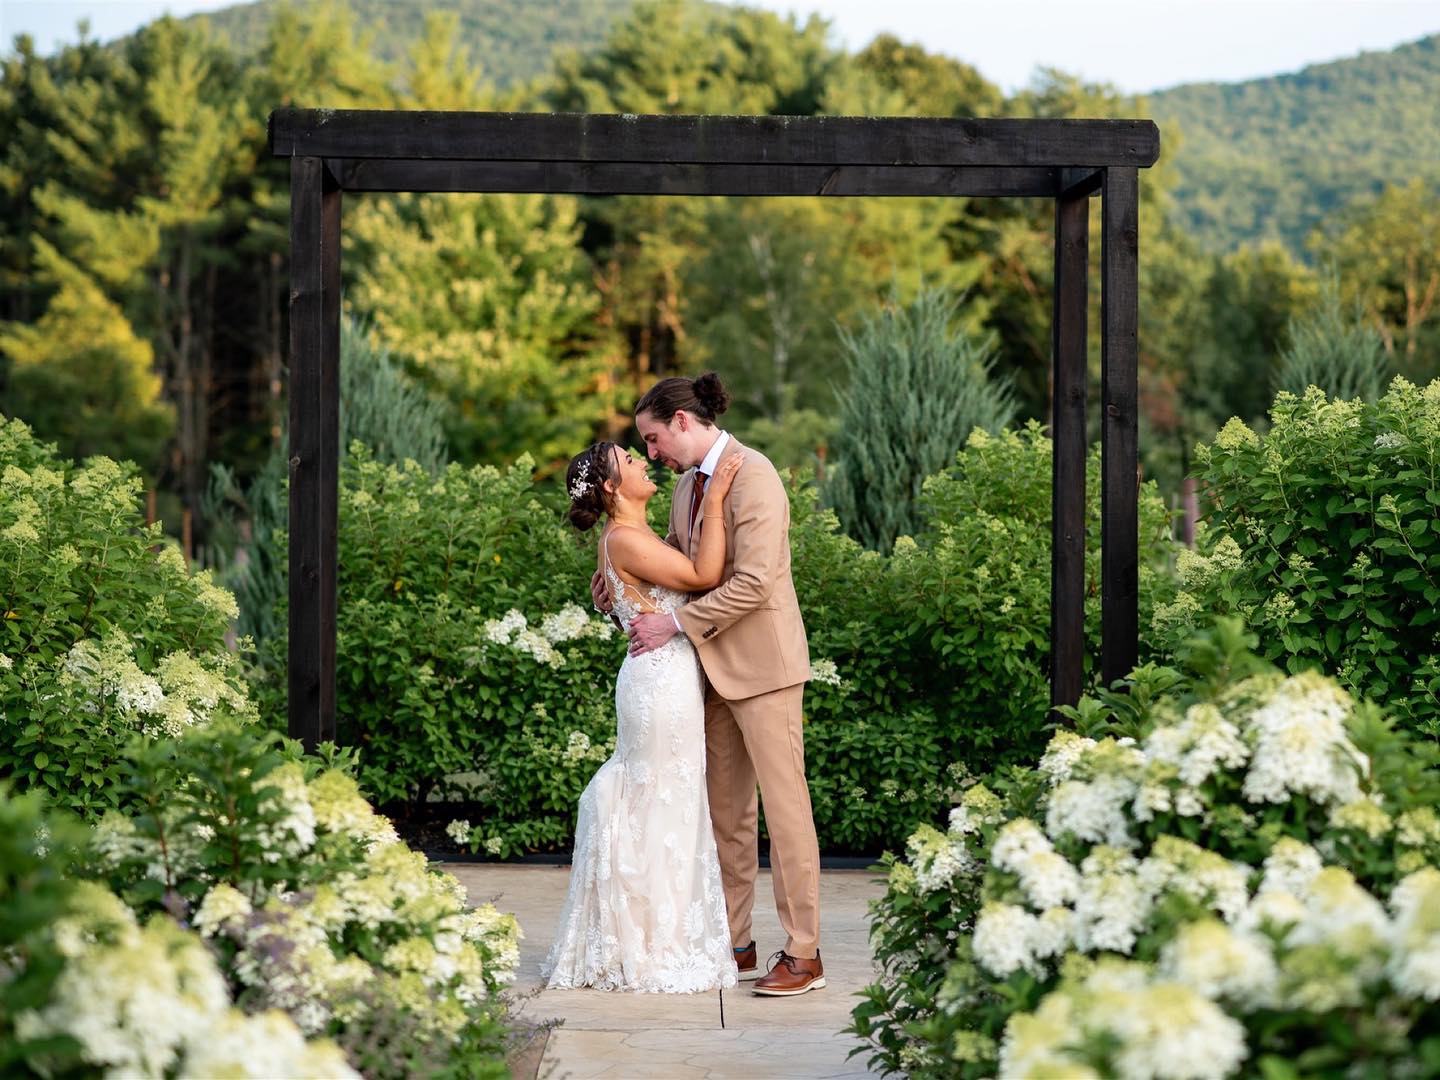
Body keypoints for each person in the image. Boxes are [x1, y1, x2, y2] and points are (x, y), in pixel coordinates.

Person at [593, 373, 825, 997]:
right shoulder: (686, 488)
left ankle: (804, 953)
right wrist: (619, 569)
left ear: (683, 423)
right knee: (727, 814)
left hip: (765, 671)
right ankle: (736, 941)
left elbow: (755, 582)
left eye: (653, 438)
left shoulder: (755, 475)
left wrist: (673, 622)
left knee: (785, 809)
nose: (651, 454)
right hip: (707, 672)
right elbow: (681, 559)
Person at [542, 438, 743, 992]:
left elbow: (644, 592)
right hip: (660, 684)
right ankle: (650, 940)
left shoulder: (630, 538)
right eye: (629, 460)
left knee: (666, 801)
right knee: (661, 802)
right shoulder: (626, 537)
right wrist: (720, 490)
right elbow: (704, 576)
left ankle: (654, 929)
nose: (642, 461)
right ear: (611, 488)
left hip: (665, 679)